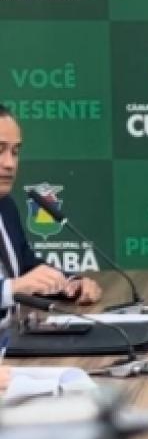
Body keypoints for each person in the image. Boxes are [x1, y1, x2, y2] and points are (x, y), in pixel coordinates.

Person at [0, 104, 101, 322]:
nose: (10, 163)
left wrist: (69, 284)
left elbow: (26, 267)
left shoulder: (5, 207)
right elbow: (18, 284)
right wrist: (11, 289)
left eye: (15, 152)